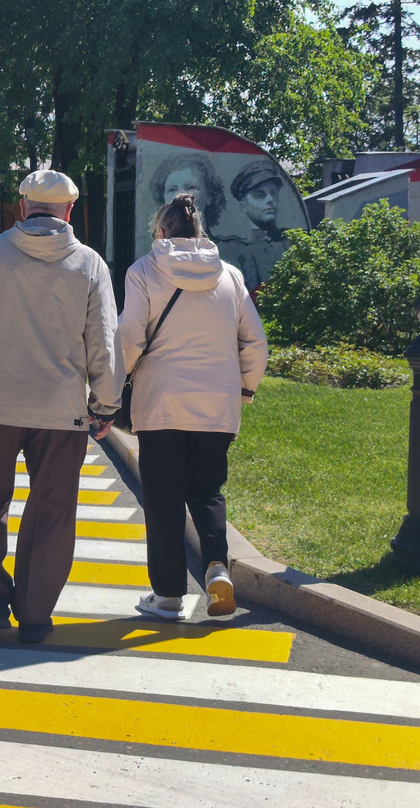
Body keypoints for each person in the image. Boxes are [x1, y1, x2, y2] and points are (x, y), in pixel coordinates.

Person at [0, 169, 121, 644]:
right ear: (70, 211)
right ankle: (36, 613)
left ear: (22, 207)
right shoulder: (90, 265)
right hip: (63, 412)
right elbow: (103, 343)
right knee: (53, 509)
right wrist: (104, 405)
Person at [117, 192, 267, 622]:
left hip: (160, 403)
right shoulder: (231, 277)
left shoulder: (144, 271)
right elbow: (255, 342)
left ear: (161, 233)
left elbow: (130, 337)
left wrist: (110, 389)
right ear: (200, 232)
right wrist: (245, 389)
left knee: (163, 499)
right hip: (217, 405)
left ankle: (167, 596)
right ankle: (217, 567)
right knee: (207, 492)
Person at [217, 159, 292, 292]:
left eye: (274, 193)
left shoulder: (293, 240)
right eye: (260, 194)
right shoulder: (233, 249)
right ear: (243, 206)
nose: (270, 200)